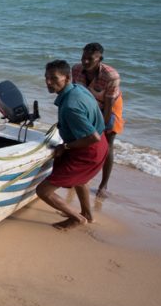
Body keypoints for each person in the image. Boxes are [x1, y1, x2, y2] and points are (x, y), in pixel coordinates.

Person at [36, 59, 108, 230]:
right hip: (99, 146)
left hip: (87, 150)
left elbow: (92, 137)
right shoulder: (78, 89)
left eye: (54, 78)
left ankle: (76, 218)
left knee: (43, 191)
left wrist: (65, 147)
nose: (48, 82)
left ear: (67, 78)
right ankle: (88, 215)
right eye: (46, 78)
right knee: (80, 180)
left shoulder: (70, 106)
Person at [71, 43, 123, 198]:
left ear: (100, 59)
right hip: (88, 103)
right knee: (79, 140)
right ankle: (76, 178)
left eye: (90, 59)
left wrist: (99, 129)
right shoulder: (76, 69)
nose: (85, 62)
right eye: (83, 57)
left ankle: (103, 185)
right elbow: (76, 95)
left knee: (107, 142)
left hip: (110, 105)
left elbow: (108, 105)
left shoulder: (111, 76)